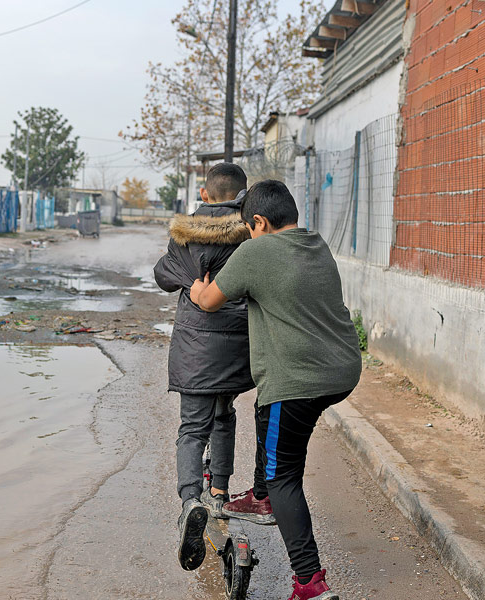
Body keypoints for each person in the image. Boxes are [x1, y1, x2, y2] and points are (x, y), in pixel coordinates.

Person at [189, 179, 362, 600]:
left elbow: (210, 300)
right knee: (269, 421)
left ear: (260, 222)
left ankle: (309, 583)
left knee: (285, 475)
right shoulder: (316, 245)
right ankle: (263, 494)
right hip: (341, 369)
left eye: (250, 227)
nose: (249, 234)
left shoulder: (255, 250)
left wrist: (196, 288)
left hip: (299, 380)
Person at [153, 163, 255, 572]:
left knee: (192, 428)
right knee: (224, 415)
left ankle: (190, 500)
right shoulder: (252, 235)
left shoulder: (184, 235)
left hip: (195, 348)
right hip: (236, 345)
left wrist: (187, 279)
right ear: (243, 196)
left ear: (206, 195)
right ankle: (219, 491)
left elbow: (162, 273)